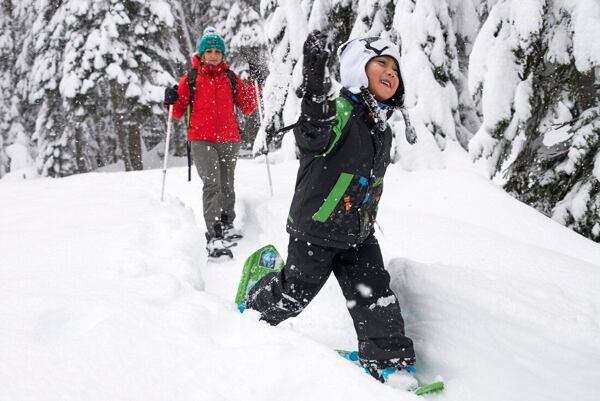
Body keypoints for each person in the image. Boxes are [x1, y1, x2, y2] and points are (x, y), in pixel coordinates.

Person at [241, 32, 416, 384]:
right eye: (380, 63)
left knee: (374, 294)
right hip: (316, 230)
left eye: (394, 67)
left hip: (358, 233)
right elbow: (312, 135)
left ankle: (390, 363)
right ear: (356, 71)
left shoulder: (382, 128)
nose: (390, 72)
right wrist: (317, 97)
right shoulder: (339, 110)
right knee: (294, 293)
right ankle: (252, 307)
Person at [164, 27, 260, 258]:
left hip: (229, 138)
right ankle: (214, 233)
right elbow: (176, 112)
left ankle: (227, 222)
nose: (214, 55)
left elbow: (247, 107)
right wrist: (170, 100)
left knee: (227, 183)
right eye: (210, 51)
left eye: (218, 51)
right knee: (212, 184)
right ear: (202, 54)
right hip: (201, 139)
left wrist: (255, 85)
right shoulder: (192, 78)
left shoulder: (230, 77)